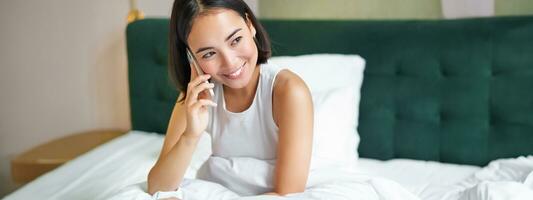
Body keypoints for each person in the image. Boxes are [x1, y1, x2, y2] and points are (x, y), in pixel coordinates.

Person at [147, 0, 313, 196]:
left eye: (235, 40)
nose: (230, 62)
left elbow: (288, 195)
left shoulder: (289, 92)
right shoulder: (197, 97)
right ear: (191, 58)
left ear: (250, 25)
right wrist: (190, 136)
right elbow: (156, 186)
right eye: (209, 53)